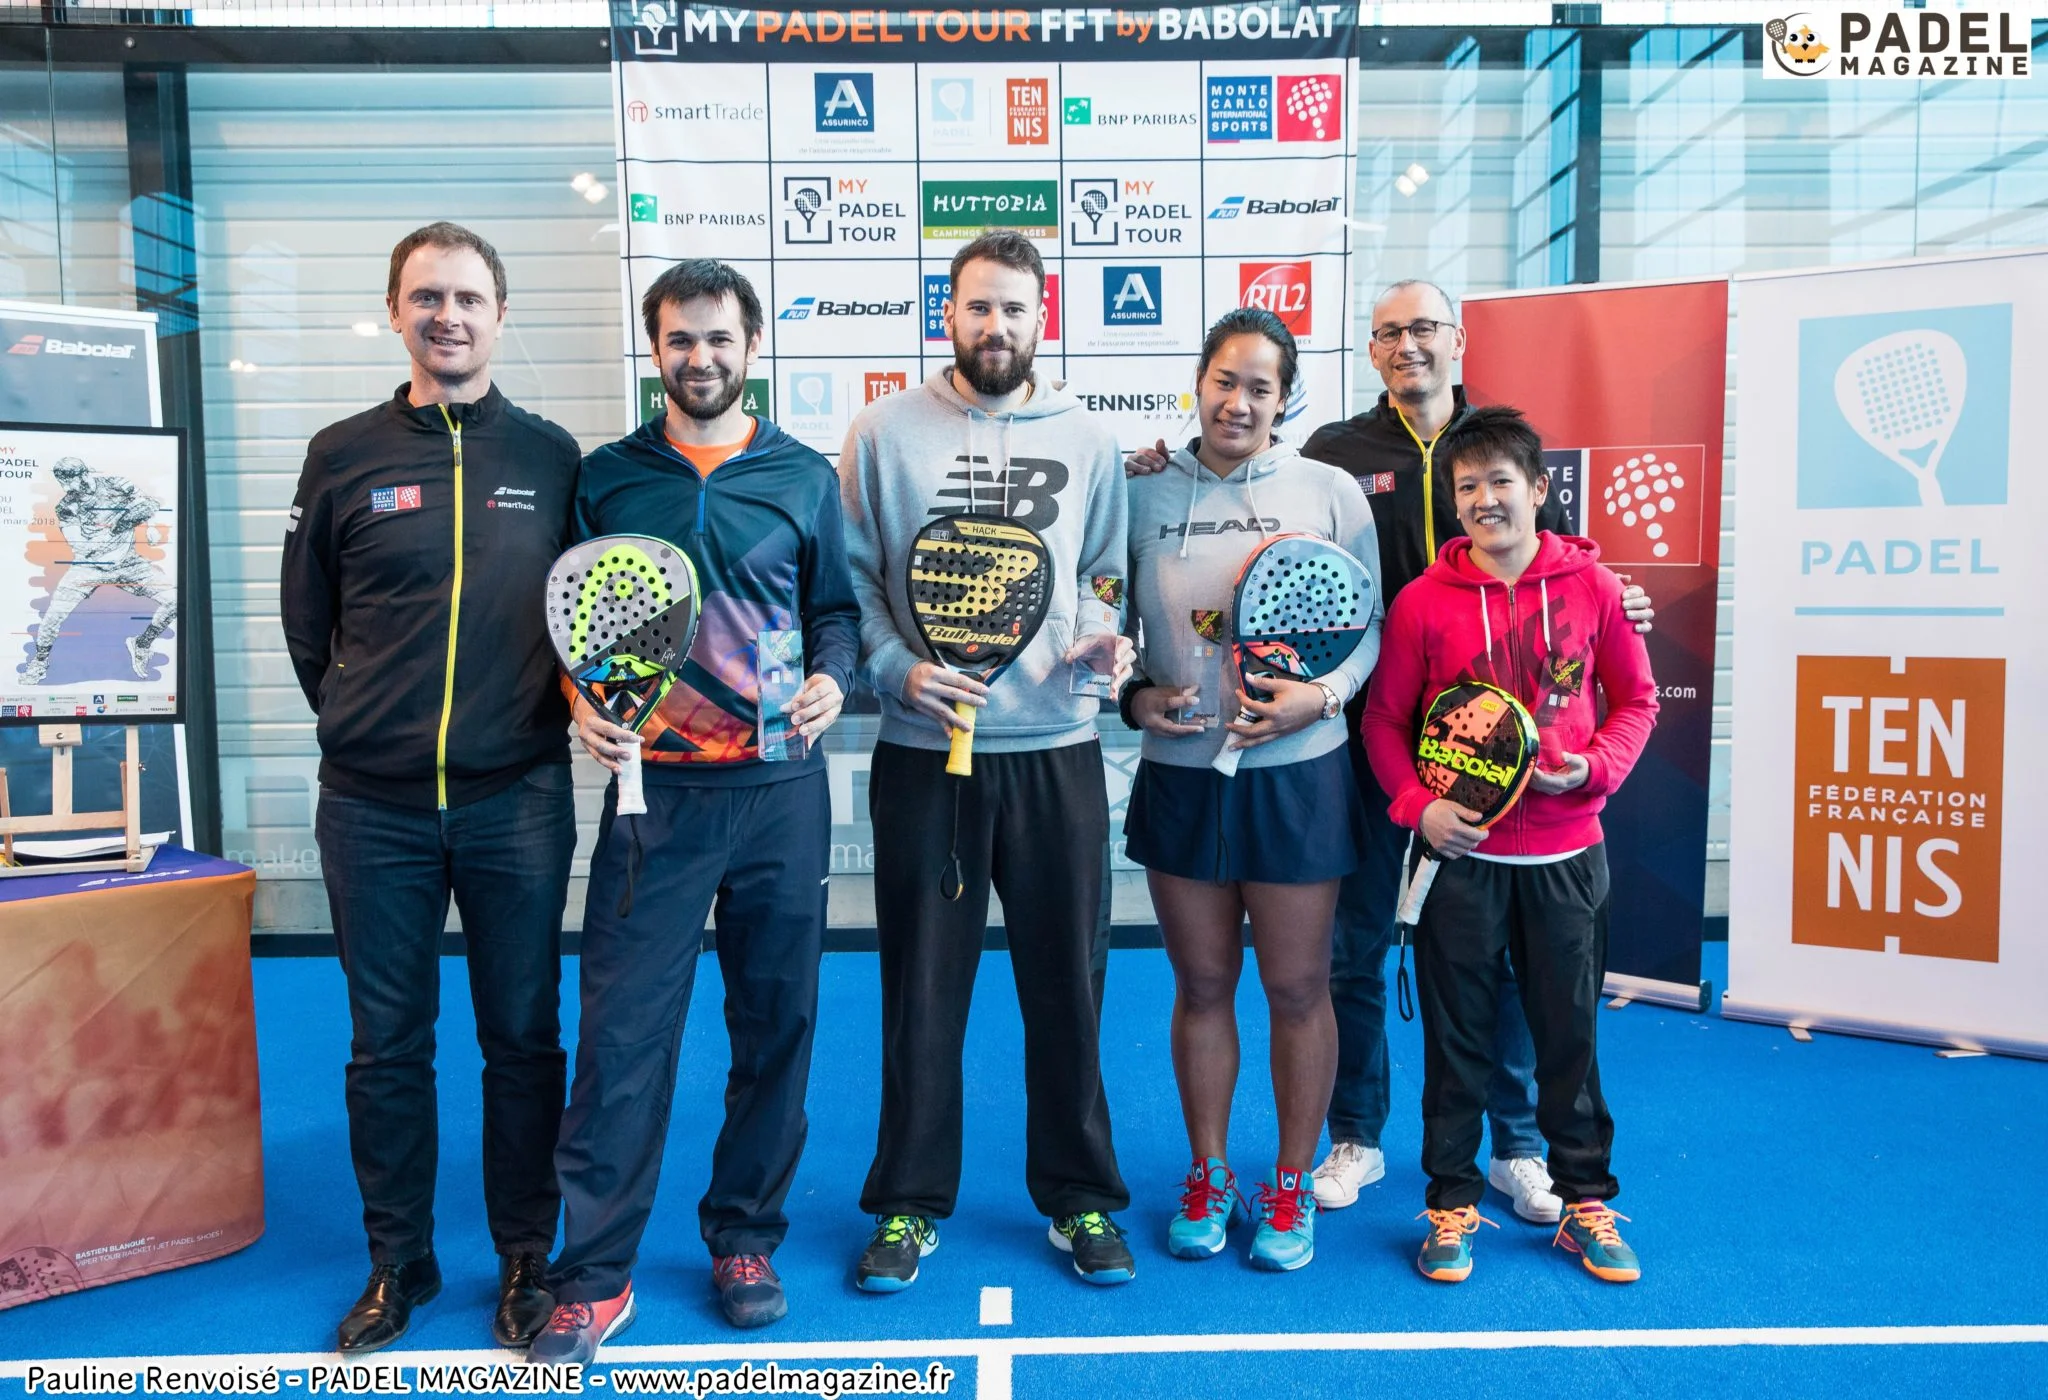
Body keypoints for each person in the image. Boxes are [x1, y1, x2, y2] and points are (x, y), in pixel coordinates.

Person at [1127, 278, 1653, 1225]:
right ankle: (1355, 1135)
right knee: (1354, 950)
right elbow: (1112, 596)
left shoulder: (1493, 442)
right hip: (1376, 743)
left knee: (1496, 960)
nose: (1406, 345)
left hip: (1455, 755)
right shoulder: (1334, 453)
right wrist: (1134, 692)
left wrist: (1606, 593)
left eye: (1422, 328)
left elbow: (1546, 563)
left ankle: (1518, 1144)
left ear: (1455, 338)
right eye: (1386, 332)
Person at [527, 260, 858, 1360]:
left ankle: (744, 1236)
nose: (699, 358)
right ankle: (594, 1272)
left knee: (777, 1023)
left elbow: (836, 615)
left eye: (718, 338)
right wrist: (581, 702)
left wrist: (833, 677)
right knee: (622, 1037)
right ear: (654, 347)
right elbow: (574, 619)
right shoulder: (607, 476)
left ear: (750, 346)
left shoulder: (804, 475)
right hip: (649, 797)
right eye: (679, 340)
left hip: (779, 793)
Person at [281, 222, 580, 1354]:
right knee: (386, 1044)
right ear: (395, 312)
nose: (446, 314)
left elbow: (577, 619)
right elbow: (308, 624)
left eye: (467, 296)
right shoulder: (341, 452)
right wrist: (371, 723)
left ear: (500, 315)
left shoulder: (553, 459)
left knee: (522, 1034)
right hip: (374, 805)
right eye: (425, 297)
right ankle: (397, 1260)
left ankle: (522, 1257)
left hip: (518, 795)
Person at [839, 229, 1137, 1290]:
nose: (994, 326)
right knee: (922, 990)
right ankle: (910, 1203)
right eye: (976, 307)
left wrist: (1106, 635)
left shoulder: (1089, 438)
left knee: (1069, 984)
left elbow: (1104, 574)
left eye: (1013, 308)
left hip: (1055, 752)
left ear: (1040, 316)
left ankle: (1081, 1196)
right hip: (927, 755)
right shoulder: (881, 431)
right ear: (947, 313)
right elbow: (859, 579)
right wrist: (891, 669)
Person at [1362, 405, 1657, 1285]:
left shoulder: (1594, 589)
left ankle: (1585, 1204)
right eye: (1467, 488)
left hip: (1568, 857)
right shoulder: (1421, 603)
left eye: (1500, 482)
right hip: (1462, 863)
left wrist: (1596, 769)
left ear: (1538, 490)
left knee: (1569, 1041)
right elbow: (1384, 722)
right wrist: (1418, 808)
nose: (1485, 500)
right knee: (1456, 1046)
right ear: (1453, 505)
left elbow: (1637, 702)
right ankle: (1450, 1203)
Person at [1119, 309, 1381, 1271]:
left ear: (1285, 396)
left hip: (1297, 777)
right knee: (1201, 982)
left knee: (1298, 985)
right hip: (1182, 778)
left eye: (1261, 387)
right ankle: (1210, 1170)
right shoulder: (1138, 490)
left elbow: (1371, 629)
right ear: (1199, 380)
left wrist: (1318, 698)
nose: (1239, 401)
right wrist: (1133, 695)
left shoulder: (1329, 488)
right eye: (1224, 380)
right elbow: (1102, 622)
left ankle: (1291, 1180)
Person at [19, 456, 177, 685]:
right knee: (53, 617)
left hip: (128, 564)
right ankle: (40, 662)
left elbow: (145, 502)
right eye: (62, 483)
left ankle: (142, 643)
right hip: (88, 567)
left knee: (175, 600)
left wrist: (150, 526)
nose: (67, 488)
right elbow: (81, 548)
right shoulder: (66, 507)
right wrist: (119, 525)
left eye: (70, 481)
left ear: (84, 474)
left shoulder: (116, 483)